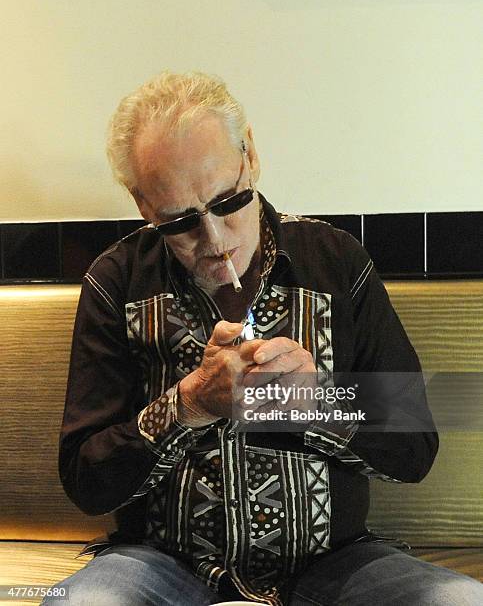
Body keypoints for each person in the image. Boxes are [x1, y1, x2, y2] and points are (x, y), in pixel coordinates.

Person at [43, 71, 483, 605]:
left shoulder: (338, 263)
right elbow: (86, 479)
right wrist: (187, 404)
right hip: (160, 562)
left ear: (250, 155)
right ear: (142, 204)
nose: (215, 240)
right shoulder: (117, 283)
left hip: (336, 562)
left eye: (228, 202)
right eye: (180, 221)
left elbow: (415, 447)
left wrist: (319, 398)